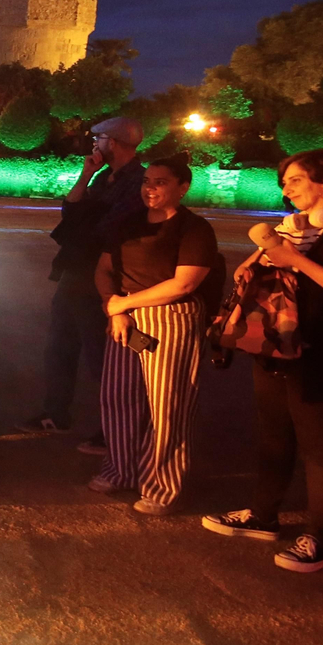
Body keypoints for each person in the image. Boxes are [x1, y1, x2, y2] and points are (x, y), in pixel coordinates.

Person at [202, 149, 323, 573]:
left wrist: (297, 260)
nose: (287, 189)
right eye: (284, 182)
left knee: (318, 446)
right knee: (274, 437)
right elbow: (250, 271)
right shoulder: (291, 225)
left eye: (297, 180)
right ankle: (263, 516)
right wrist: (261, 257)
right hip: (275, 344)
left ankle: (320, 537)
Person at [91, 157, 218, 514]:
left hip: (170, 317)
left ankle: (162, 485)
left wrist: (122, 304)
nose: (150, 188)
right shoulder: (127, 223)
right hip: (125, 317)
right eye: (147, 181)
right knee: (119, 397)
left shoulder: (194, 229)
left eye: (161, 182)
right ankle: (121, 470)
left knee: (168, 405)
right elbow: (103, 269)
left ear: (183, 187)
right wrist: (114, 308)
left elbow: (185, 284)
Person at [30, 116, 147, 439]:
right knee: (60, 345)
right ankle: (55, 412)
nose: (95, 144)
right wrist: (85, 175)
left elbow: (106, 228)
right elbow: (70, 211)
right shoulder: (103, 177)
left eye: (100, 139)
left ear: (115, 142)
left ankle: (114, 428)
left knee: (102, 353)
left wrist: (82, 220)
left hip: (105, 275)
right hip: (77, 270)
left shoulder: (138, 181)